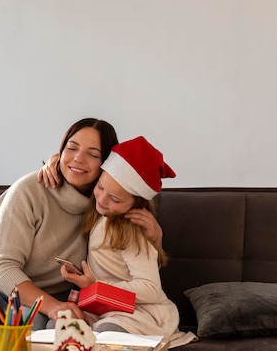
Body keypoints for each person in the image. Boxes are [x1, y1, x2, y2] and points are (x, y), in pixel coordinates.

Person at [0, 118, 163, 330]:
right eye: (71, 148)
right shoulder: (29, 189)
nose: (78, 159)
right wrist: (53, 307)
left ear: (107, 164)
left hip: (43, 300)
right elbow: (4, 268)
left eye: (93, 154)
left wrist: (156, 240)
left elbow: (133, 273)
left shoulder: (106, 204)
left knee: (33, 328)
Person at [60, 136, 195, 346]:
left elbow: (150, 288)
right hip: (105, 306)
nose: (102, 199)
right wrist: (53, 162)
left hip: (139, 312)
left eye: (115, 199)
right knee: (60, 326)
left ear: (136, 204)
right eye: (101, 187)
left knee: (107, 335)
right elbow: (75, 172)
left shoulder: (131, 230)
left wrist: (96, 285)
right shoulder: (100, 215)